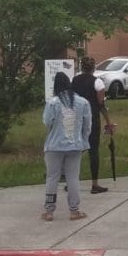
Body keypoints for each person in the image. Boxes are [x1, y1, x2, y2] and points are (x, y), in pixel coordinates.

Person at [41, 72, 91, 221]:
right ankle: (74, 211)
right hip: (75, 145)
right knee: (73, 178)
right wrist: (84, 141)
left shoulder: (52, 103)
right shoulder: (83, 102)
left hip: (54, 146)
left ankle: (49, 211)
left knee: (52, 178)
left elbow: (47, 122)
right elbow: (88, 126)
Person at [72, 57, 112, 194]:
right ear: (94, 68)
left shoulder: (74, 80)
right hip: (92, 119)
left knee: (76, 150)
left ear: (81, 67)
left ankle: (72, 182)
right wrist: (108, 121)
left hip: (77, 119)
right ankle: (95, 185)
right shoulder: (98, 82)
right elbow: (101, 104)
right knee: (93, 151)